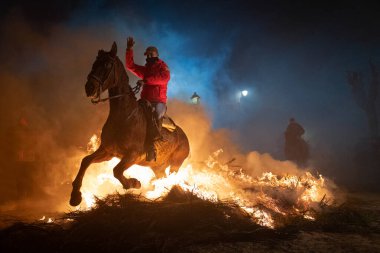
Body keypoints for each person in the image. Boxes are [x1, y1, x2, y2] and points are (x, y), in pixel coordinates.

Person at [125, 37, 170, 161]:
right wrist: (129, 49)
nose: (148, 57)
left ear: (156, 55)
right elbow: (130, 66)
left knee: (156, 116)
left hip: (159, 102)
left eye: (150, 55)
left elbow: (163, 79)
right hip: (145, 100)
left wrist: (145, 80)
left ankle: (152, 146)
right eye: (147, 55)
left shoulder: (163, 68)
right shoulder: (146, 70)